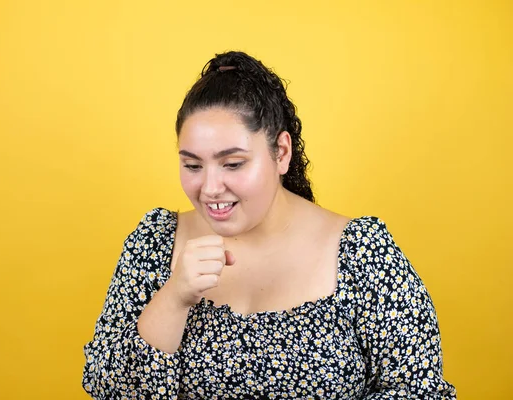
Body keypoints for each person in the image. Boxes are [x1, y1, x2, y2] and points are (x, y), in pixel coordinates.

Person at [82, 51, 456, 399]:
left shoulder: (362, 251)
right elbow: (109, 389)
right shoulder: (155, 243)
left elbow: (419, 390)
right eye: (193, 165)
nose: (210, 188)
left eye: (233, 164)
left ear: (281, 152)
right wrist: (175, 296)